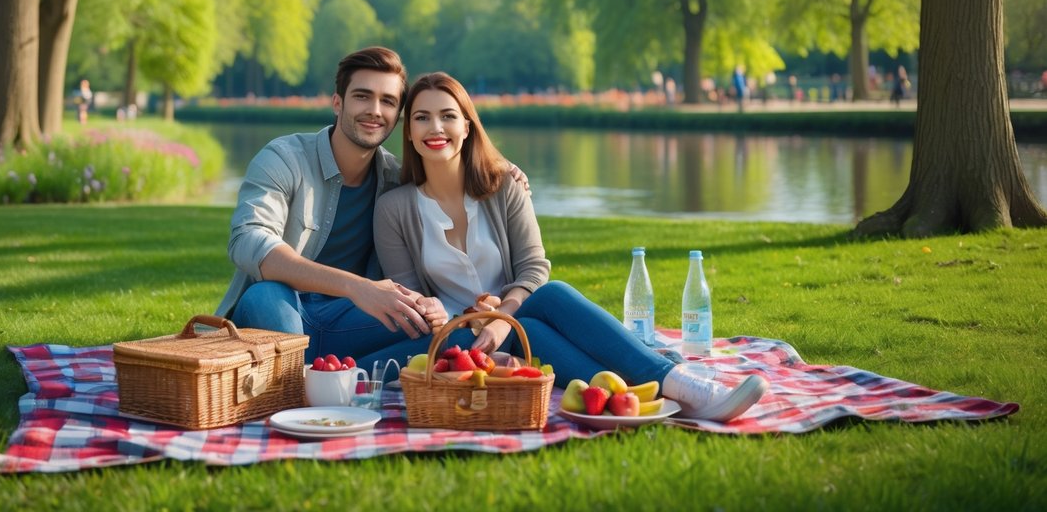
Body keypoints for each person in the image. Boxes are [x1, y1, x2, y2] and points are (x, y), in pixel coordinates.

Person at [374, 72, 769, 422]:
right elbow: (415, 304)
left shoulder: (504, 187)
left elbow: (533, 268)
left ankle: (674, 388)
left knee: (548, 298)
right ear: (408, 132)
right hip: (461, 340)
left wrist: (501, 317)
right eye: (422, 117)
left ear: (467, 126)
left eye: (447, 115)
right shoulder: (394, 209)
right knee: (536, 316)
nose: (435, 127)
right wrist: (474, 322)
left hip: (519, 316)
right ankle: (671, 390)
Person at [216, 47, 527, 373]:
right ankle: (306, 379)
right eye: (363, 97)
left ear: (398, 117)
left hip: (353, 320)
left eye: (388, 102)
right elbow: (248, 241)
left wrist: (501, 168)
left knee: (455, 340)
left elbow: (451, 165)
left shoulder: (395, 181)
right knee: (266, 296)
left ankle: (333, 376)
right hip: (278, 307)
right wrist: (356, 286)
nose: (375, 111)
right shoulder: (284, 158)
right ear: (338, 103)